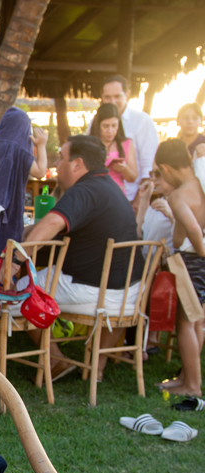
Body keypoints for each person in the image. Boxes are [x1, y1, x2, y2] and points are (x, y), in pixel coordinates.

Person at [23, 135, 145, 381]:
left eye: (61, 157)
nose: (57, 163)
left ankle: (55, 360)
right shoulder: (113, 188)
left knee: (19, 290)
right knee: (43, 277)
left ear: (77, 165)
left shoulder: (85, 189)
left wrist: (16, 257)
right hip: (129, 295)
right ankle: (95, 368)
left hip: (95, 293)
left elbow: (54, 222)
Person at [154, 139, 205, 397]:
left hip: (192, 260)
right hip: (200, 262)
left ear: (165, 168)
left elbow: (193, 229)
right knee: (198, 321)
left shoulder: (178, 195)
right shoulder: (200, 183)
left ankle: (192, 385)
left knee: (185, 323)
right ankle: (187, 376)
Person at [0, 107, 48, 265]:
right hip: (11, 212)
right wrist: (42, 145)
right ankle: (5, 287)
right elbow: (40, 171)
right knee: (8, 251)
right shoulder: (18, 150)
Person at [95, 75, 158, 202]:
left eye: (117, 96)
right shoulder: (95, 121)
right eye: (107, 97)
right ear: (102, 96)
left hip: (130, 196)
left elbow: (148, 165)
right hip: (96, 196)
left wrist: (139, 200)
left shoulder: (142, 120)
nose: (112, 101)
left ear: (127, 94)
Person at [89, 103, 138, 193]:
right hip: (94, 192)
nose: (110, 131)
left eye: (114, 125)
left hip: (118, 194)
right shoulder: (89, 144)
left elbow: (133, 178)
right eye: (105, 126)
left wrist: (124, 168)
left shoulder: (126, 144)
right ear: (97, 125)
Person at [135, 167, 176, 257]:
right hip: (148, 266)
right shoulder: (158, 204)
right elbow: (138, 234)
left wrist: (171, 216)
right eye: (152, 173)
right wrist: (144, 199)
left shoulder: (181, 204)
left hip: (169, 266)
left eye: (158, 173)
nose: (153, 178)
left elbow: (185, 243)